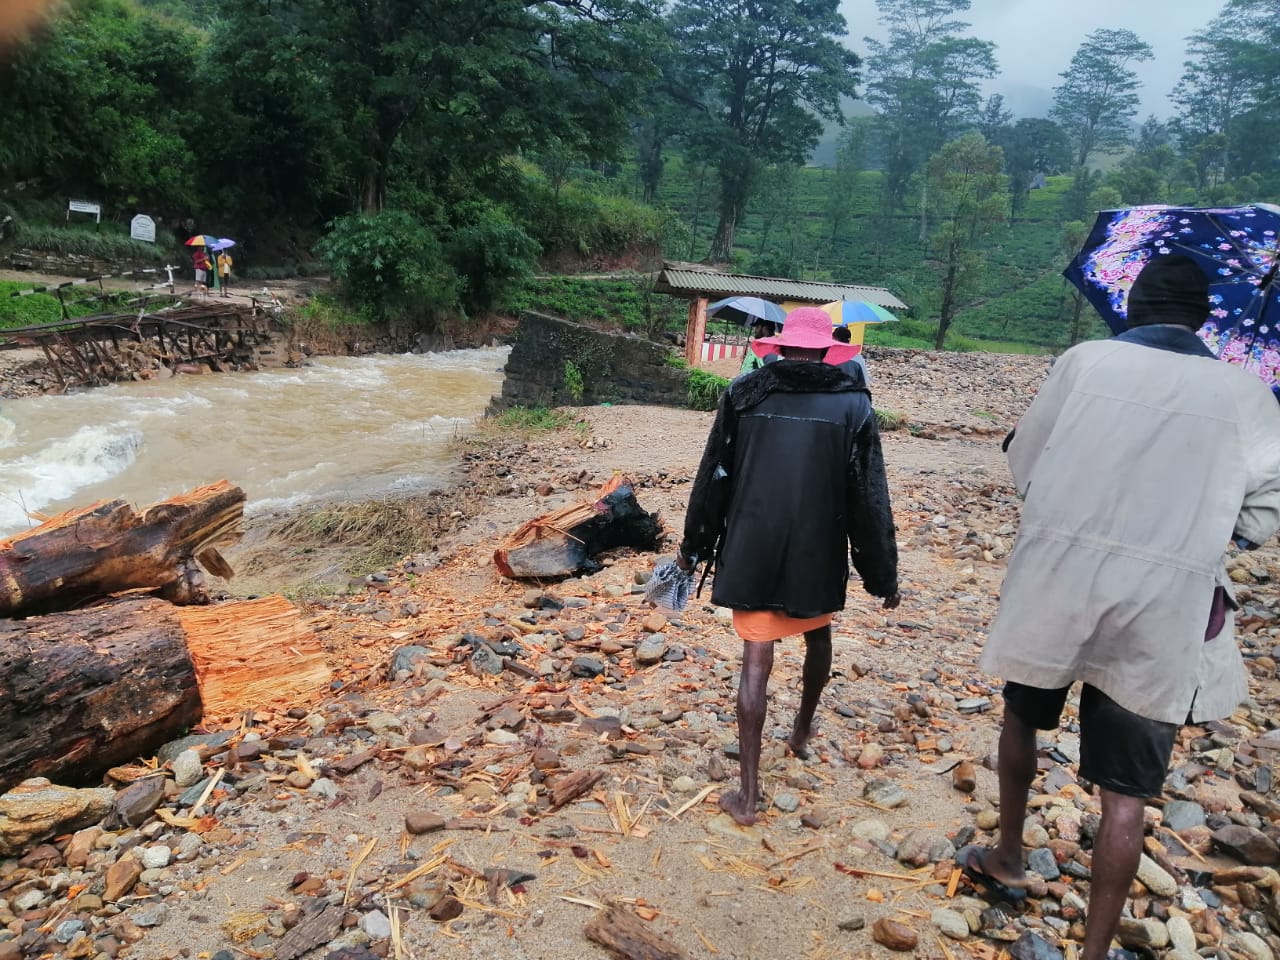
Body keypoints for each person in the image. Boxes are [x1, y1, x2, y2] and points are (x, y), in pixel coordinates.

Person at [964, 255, 1280, 960]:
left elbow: (1026, 460)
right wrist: (1209, 531)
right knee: (1126, 793)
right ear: (1202, 319)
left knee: (1024, 714)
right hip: (1164, 605)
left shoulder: (1085, 363)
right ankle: (1097, 950)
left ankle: (1011, 854)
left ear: (1130, 305)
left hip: (1058, 581)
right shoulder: (1249, 395)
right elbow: (1262, 513)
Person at [677, 306, 901, 826]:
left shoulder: (743, 395)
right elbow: (870, 497)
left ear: (778, 348)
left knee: (757, 661)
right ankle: (800, 732)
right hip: (818, 550)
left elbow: (714, 476)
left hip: (753, 543)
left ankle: (748, 797)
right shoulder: (854, 405)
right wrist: (881, 573)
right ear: (827, 352)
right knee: (817, 637)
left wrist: (695, 545)